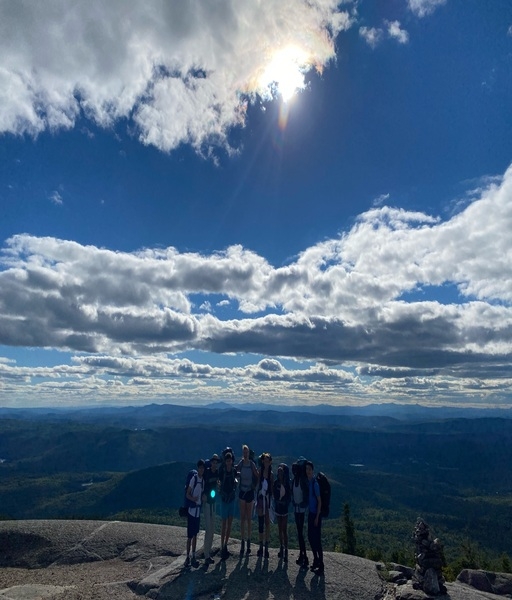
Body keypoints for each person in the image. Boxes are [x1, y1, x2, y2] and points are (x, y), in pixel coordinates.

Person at [236, 444, 259, 555]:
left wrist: (255, 486)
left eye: (247, 452)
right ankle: (243, 540)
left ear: (249, 453)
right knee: (242, 518)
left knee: (249, 517)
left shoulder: (252, 464)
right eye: (244, 452)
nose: (245, 454)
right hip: (242, 492)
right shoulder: (241, 464)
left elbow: (257, 475)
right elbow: (234, 472)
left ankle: (248, 539)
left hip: (249, 492)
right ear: (243, 453)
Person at [185, 459, 205, 568]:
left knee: (195, 535)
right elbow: (187, 494)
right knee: (189, 536)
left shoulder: (203, 481)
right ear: (198, 468)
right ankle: (188, 556)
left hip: (197, 512)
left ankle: (192, 555)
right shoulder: (194, 479)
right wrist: (193, 499)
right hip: (192, 511)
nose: (201, 469)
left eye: (203, 468)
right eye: (200, 468)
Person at [218, 451, 238, 559]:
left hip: (231, 499)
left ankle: (225, 545)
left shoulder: (233, 471)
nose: (229, 462)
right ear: (225, 462)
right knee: (224, 524)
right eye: (227, 461)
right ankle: (222, 546)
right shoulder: (223, 471)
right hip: (225, 500)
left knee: (229, 524)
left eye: (230, 461)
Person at [306, 460, 324, 576]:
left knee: (317, 541)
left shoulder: (315, 484)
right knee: (310, 537)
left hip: (316, 515)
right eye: (306, 469)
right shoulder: (308, 483)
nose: (308, 471)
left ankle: (321, 565)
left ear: (313, 470)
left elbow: (319, 502)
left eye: (309, 469)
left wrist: (317, 517)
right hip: (310, 514)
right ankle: (316, 560)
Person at [291, 460, 309, 567]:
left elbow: (305, 495)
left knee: (300, 533)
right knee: (299, 533)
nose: (294, 472)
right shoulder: (294, 481)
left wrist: (302, 504)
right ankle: (302, 554)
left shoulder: (301, 481)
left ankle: (304, 555)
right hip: (297, 509)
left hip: (300, 510)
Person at [203, 453, 220, 564]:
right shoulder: (207, 472)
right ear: (211, 463)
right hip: (207, 503)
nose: (215, 464)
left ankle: (208, 552)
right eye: (213, 462)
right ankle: (206, 554)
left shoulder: (217, 473)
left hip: (213, 502)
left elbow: (217, 484)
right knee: (208, 528)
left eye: (216, 462)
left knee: (212, 529)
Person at [256, 452, 273, 558]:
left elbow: (271, 489)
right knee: (261, 523)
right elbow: (257, 484)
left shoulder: (271, 475)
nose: (266, 463)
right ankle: (261, 546)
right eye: (265, 461)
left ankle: (266, 546)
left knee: (267, 523)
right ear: (263, 461)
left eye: (268, 461)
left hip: (267, 500)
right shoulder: (260, 472)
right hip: (261, 499)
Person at [273, 463, 291, 561]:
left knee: (284, 529)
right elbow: (274, 494)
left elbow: (289, 497)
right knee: (280, 529)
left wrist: (284, 502)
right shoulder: (276, 483)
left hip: (284, 509)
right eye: (278, 472)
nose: (279, 474)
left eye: (281, 472)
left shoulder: (287, 484)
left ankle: (286, 549)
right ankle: (281, 547)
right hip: (278, 508)